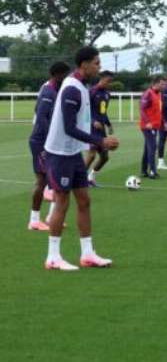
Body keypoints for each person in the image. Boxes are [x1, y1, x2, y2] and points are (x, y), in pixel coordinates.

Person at [43, 46, 120, 270]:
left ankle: (87, 254)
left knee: (84, 200)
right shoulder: (72, 89)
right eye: (96, 63)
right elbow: (68, 127)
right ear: (84, 65)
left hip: (73, 152)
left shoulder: (83, 86)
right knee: (62, 202)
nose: (99, 67)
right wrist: (100, 141)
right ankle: (53, 257)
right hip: (60, 153)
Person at [27, 61, 71, 231]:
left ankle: (52, 216)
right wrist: (52, 136)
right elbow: (41, 117)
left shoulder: (56, 91)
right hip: (41, 142)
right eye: (65, 75)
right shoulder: (48, 92)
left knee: (55, 179)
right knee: (42, 181)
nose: (67, 78)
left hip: (49, 142)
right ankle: (34, 221)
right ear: (56, 75)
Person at [84, 70, 115, 187]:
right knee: (91, 155)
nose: (109, 84)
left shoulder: (107, 94)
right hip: (91, 128)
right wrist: (93, 121)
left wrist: (109, 124)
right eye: (108, 81)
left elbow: (103, 112)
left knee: (104, 157)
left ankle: (90, 177)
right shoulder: (91, 92)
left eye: (111, 82)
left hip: (101, 129)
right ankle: (79, 179)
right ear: (101, 79)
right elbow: (84, 109)